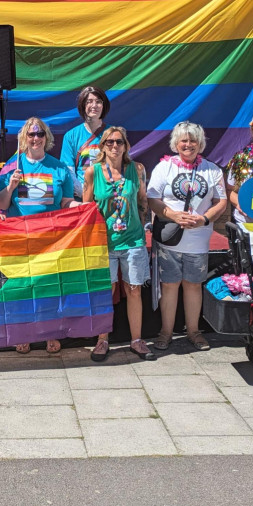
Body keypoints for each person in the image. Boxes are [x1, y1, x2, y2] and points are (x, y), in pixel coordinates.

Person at [0, 117, 78, 354]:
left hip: (49, 239)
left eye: (40, 134)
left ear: (46, 137)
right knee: (22, 286)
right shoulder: (12, 166)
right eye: (31, 135)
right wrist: (10, 186)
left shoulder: (59, 167)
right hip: (20, 237)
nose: (35, 139)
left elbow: (66, 202)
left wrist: (85, 207)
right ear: (24, 138)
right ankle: (24, 334)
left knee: (49, 287)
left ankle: (50, 332)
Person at [148, 122, 227, 351]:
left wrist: (204, 219)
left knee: (193, 286)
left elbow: (220, 201)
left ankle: (193, 332)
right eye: (184, 140)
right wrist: (173, 215)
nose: (188, 144)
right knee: (170, 286)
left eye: (193, 140)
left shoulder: (212, 170)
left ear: (200, 143)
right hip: (170, 241)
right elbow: (152, 198)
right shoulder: (164, 168)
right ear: (176, 143)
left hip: (198, 241)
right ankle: (166, 333)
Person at [83, 126, 153, 362]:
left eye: (119, 142)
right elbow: (86, 209)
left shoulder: (137, 169)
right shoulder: (92, 173)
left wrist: (141, 230)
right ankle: (102, 340)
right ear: (102, 146)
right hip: (104, 243)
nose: (114, 146)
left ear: (126, 145)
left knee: (133, 290)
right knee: (106, 292)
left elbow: (142, 200)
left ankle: (136, 340)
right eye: (110, 142)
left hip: (133, 241)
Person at [60, 85, 111, 199]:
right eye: (89, 102)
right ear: (83, 105)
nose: (94, 105)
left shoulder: (114, 134)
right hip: (82, 198)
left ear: (103, 106)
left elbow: (122, 166)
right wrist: (85, 194)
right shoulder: (71, 136)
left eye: (98, 102)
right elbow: (68, 172)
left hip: (109, 196)